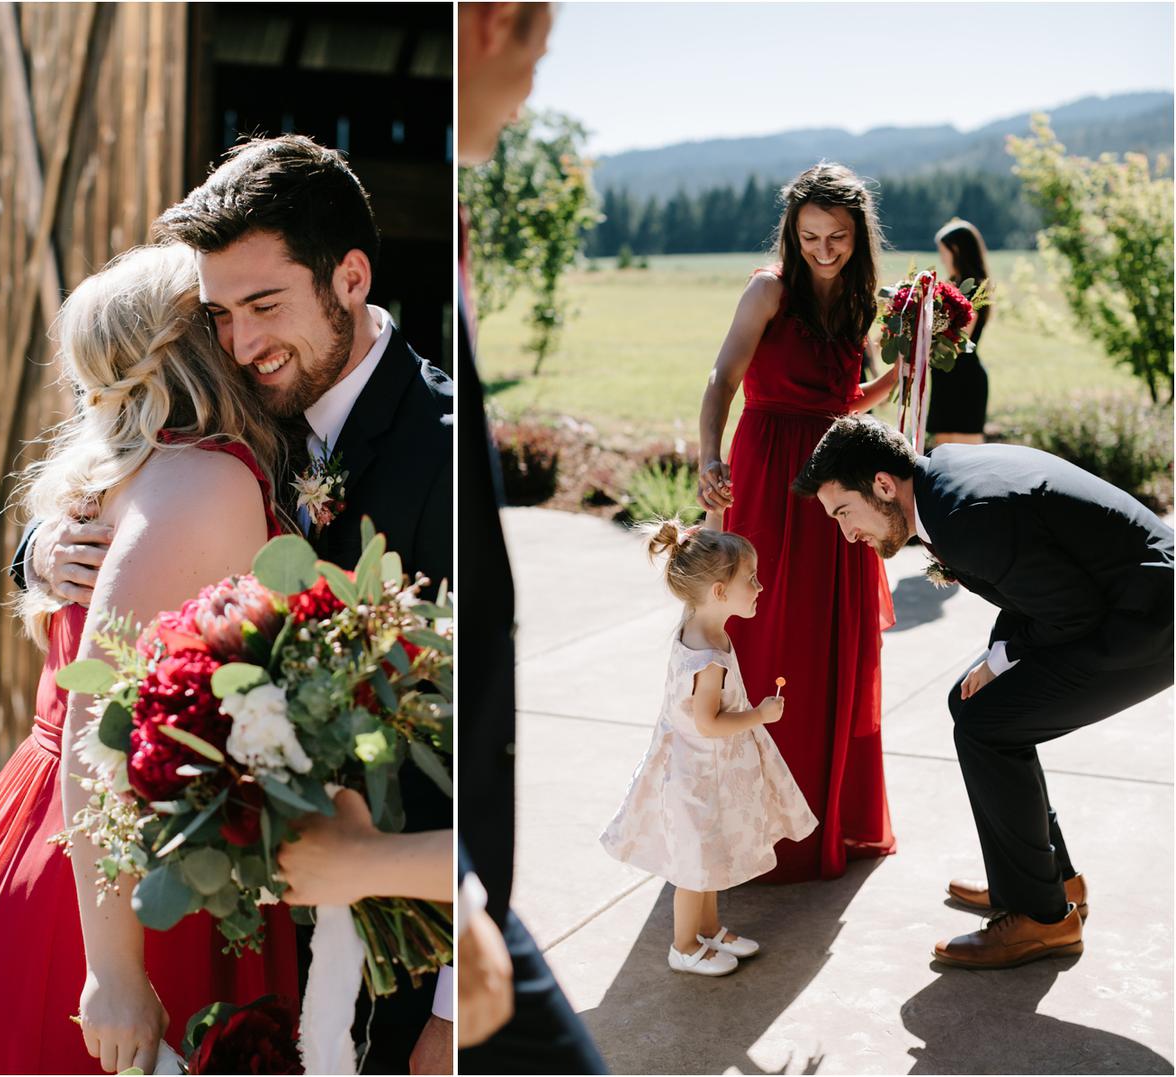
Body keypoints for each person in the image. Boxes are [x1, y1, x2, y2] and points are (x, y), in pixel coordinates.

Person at [15, 136, 455, 1075]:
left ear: (350, 278)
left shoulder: (444, 453)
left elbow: (491, 750)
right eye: (219, 314)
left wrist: (455, 1015)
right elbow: (133, 506)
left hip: (402, 946)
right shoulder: (242, 414)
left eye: (264, 305)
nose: (243, 342)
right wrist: (41, 550)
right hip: (238, 913)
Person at [0, 246, 298, 1074]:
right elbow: (98, 723)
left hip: (40, 841)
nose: (247, 332)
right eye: (222, 314)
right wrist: (115, 973)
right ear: (198, 340)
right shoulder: (203, 479)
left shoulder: (117, 472)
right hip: (115, 886)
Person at [793, 414, 1173, 967]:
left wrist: (1004, 657)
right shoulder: (943, 478)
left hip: (1148, 622)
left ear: (882, 485)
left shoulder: (964, 516)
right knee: (973, 705)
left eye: (844, 513)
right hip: (1121, 601)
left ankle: (1043, 919)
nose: (848, 534)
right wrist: (998, 657)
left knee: (987, 725)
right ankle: (1049, 881)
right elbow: (1032, 585)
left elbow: (1072, 612)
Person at [456, 3, 608, 1073]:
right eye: (538, 56)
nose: (530, 95)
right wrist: (457, 879)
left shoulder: (456, 221)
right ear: (494, 23)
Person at [696, 162, 900, 884]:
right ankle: (750, 823)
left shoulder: (859, 300)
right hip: (767, 469)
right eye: (810, 236)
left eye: (836, 237)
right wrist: (709, 455)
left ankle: (822, 818)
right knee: (764, 626)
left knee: (828, 635)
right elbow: (723, 378)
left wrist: (904, 372)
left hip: (834, 476)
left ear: (857, 236)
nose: (823, 249)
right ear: (792, 232)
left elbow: (842, 399)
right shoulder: (768, 290)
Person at [599, 522, 816, 977]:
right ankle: (683, 947)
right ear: (719, 591)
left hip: (701, 768)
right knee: (693, 868)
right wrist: (760, 714)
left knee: (710, 856)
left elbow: (706, 568)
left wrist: (714, 523)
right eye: (751, 579)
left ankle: (710, 929)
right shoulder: (709, 661)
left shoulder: (699, 621)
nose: (760, 587)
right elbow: (708, 723)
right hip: (697, 775)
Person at [927, 218, 993, 446]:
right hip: (945, 378)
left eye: (942, 252)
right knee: (944, 452)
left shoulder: (973, 289)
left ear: (955, 250)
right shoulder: (950, 285)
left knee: (968, 453)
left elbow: (958, 339)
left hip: (964, 379)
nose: (941, 258)